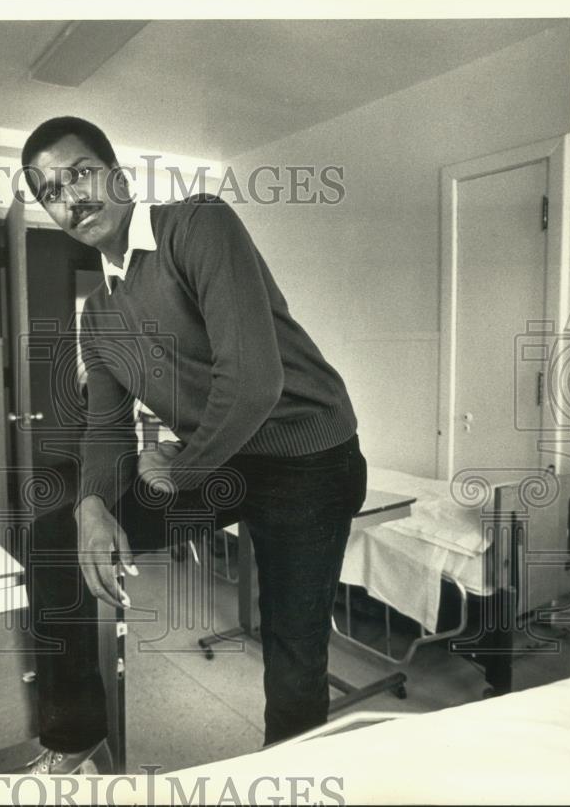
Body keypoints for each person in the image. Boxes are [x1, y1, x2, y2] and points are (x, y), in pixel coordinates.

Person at [18, 116, 366, 774]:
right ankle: (76, 735)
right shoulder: (98, 314)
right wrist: (93, 508)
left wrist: (182, 467)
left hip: (309, 456)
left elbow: (255, 382)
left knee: (292, 651)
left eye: (80, 174)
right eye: (49, 192)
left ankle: (285, 776)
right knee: (54, 538)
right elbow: (107, 429)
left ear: (118, 177)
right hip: (223, 456)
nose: (70, 199)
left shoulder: (197, 226)